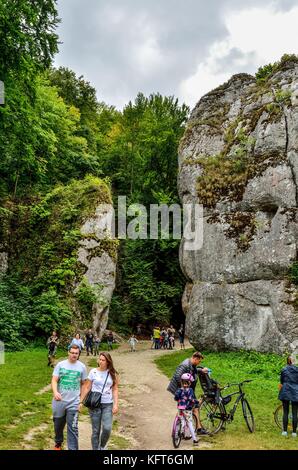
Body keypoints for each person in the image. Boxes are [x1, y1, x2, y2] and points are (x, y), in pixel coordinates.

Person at [80, 352, 119, 450]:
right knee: (96, 430)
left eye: (103, 360)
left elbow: (115, 389)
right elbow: (87, 387)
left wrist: (115, 404)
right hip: (94, 404)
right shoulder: (93, 372)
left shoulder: (113, 373)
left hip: (107, 404)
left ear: (108, 362)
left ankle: (102, 446)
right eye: (99, 359)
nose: (100, 361)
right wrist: (80, 402)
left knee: (107, 428)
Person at [51, 344, 87, 450]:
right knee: (58, 425)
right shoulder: (60, 365)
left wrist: (81, 401)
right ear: (68, 352)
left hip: (74, 402)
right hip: (59, 401)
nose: (74, 355)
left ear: (78, 354)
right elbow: (54, 380)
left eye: (76, 353)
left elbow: (84, 384)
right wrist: (55, 392)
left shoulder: (82, 367)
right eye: (72, 353)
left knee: (73, 428)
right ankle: (58, 443)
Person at [167, 351, 209, 435]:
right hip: (180, 390)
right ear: (195, 358)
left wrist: (201, 370)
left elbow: (193, 370)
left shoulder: (191, 364)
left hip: (185, 390)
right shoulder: (184, 365)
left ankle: (197, 428)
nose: (199, 363)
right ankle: (179, 427)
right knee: (185, 408)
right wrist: (185, 391)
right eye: (199, 361)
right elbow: (178, 377)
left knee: (193, 408)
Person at [174, 373, 199, 446]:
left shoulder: (179, 390)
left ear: (181, 382)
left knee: (181, 420)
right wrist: (197, 401)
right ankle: (195, 440)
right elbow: (191, 399)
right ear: (190, 382)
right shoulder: (190, 390)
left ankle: (178, 433)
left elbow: (176, 398)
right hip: (187, 409)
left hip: (180, 408)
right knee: (190, 423)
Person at [278, 356, 298, 437]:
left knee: (285, 412)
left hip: (285, 391)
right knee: (295, 413)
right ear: (294, 361)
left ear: (287, 361)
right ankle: (294, 433)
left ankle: (285, 432)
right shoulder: (297, 370)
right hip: (296, 391)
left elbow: (281, 381)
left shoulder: (284, 369)